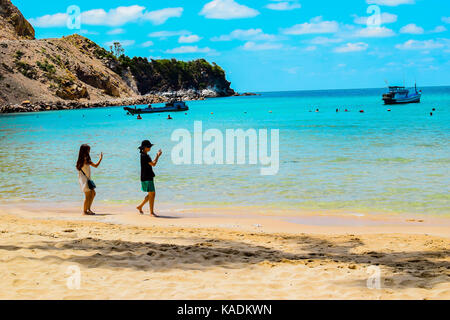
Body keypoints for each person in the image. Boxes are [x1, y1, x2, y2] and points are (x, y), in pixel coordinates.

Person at [137, 140, 162, 217]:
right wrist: (158, 156)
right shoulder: (145, 156)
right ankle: (151, 212)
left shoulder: (143, 155)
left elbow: (151, 163)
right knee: (152, 194)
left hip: (145, 176)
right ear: (144, 148)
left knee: (151, 194)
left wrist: (156, 157)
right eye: (149, 146)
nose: (150, 147)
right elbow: (153, 164)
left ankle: (140, 206)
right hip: (147, 177)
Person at [76, 144, 103, 215]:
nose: (89, 151)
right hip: (84, 180)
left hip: (85, 179)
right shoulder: (85, 159)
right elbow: (96, 165)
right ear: (85, 151)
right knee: (88, 196)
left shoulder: (81, 159)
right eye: (88, 149)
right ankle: (85, 211)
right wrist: (100, 158)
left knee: (93, 193)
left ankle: (88, 209)